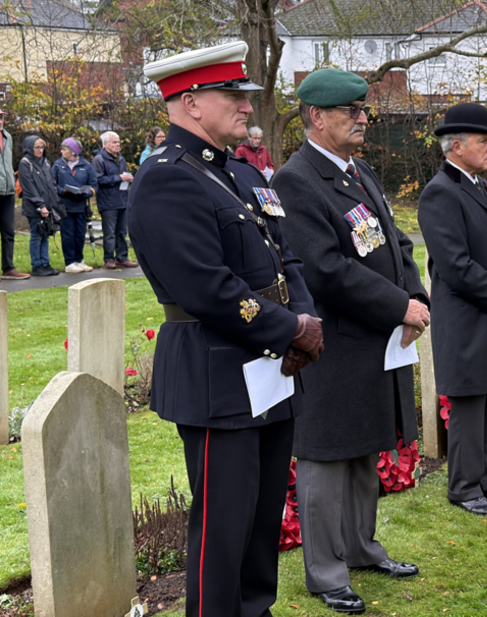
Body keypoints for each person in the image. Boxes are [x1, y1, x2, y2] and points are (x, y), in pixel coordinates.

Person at [129, 41, 322, 617]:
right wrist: (290, 328)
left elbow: (287, 258)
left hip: (272, 367)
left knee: (263, 522)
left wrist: (305, 318)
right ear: (190, 103)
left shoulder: (239, 172)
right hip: (218, 373)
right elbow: (205, 288)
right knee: (224, 526)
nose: (246, 106)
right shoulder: (165, 180)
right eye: (233, 95)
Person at [271, 68, 424, 613]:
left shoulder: (357, 171)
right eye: (350, 111)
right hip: (333, 346)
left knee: (364, 453)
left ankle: (362, 548)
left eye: (364, 110)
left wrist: (417, 298)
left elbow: (397, 242)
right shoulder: (297, 179)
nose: (363, 119)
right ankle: (327, 573)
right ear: (316, 117)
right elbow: (326, 268)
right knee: (326, 460)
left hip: (375, 343)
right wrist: (395, 304)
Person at [418, 103, 487, 517]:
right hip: (465, 315)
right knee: (467, 402)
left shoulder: (481, 186)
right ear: (456, 146)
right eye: (484, 141)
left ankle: (486, 478)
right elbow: (454, 265)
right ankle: (463, 486)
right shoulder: (440, 192)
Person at [93, 130, 137, 269]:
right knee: (110, 233)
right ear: (105, 144)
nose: (117, 145)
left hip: (122, 199)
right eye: (114, 142)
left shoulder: (121, 158)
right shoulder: (99, 160)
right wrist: (119, 178)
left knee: (122, 232)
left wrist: (128, 178)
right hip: (108, 201)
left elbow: (121, 175)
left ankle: (122, 257)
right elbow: (98, 179)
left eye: (118, 142)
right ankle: (109, 259)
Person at [50, 137, 95, 272]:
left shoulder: (86, 166)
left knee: (80, 234)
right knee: (68, 234)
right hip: (65, 206)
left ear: (73, 151)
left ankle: (79, 260)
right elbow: (52, 184)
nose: (62, 151)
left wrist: (85, 192)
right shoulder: (58, 165)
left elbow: (94, 185)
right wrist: (62, 191)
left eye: (65, 149)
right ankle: (69, 262)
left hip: (81, 205)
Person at [19, 136, 61, 276]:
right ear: (30, 148)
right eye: (37, 147)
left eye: (42, 147)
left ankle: (45, 263)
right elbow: (29, 187)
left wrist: (54, 204)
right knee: (36, 235)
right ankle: (36, 265)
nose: (40, 150)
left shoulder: (46, 163)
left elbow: (51, 184)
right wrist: (41, 205)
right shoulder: (25, 163)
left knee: (46, 234)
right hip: (34, 207)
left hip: (48, 206)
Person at [0, 106, 28, 279]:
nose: (1, 121)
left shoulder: (7, 137)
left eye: (2, 117)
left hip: (8, 191)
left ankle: (8, 267)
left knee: (9, 231)